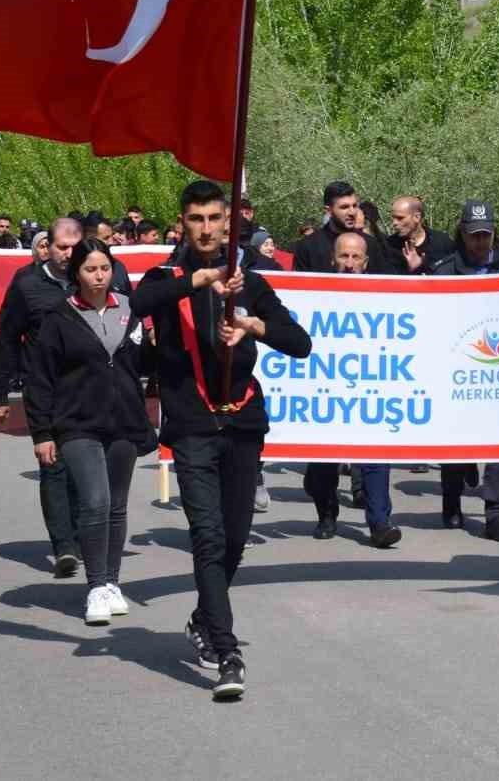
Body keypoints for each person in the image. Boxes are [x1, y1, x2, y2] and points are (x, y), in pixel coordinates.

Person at [133, 180, 312, 701]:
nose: (207, 228)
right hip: (190, 426)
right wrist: (200, 279)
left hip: (241, 423)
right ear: (182, 224)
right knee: (207, 537)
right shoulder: (169, 278)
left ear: (227, 223)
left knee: (234, 540)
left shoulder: (250, 284)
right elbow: (142, 298)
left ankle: (202, 617)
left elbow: (300, 344)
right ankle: (227, 651)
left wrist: (254, 326)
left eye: (216, 218)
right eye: (197, 219)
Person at [24, 238, 154, 625]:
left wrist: (152, 346)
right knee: (94, 501)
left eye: (104, 268)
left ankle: (112, 582)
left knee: (116, 505)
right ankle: (95, 585)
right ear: (75, 273)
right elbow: (39, 378)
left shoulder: (130, 310)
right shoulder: (57, 316)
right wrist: (41, 432)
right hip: (76, 423)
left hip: (125, 421)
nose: (98, 277)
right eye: (89, 270)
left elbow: (141, 365)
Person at [0, 218, 86, 578]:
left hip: (88, 390)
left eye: (75, 246)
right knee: (53, 464)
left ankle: (82, 534)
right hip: (44, 389)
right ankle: (65, 546)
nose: (68, 253)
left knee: (86, 466)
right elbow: (7, 336)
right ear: (47, 245)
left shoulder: (92, 279)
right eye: (61, 246)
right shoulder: (27, 284)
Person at [302, 232, 403, 549]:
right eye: (343, 257)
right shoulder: (314, 296)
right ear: (333, 260)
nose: (349, 264)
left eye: (355, 257)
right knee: (322, 459)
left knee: (375, 455)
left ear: (366, 262)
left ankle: (379, 523)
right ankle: (327, 515)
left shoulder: (384, 296)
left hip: (370, 387)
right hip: (327, 387)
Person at [431, 200, 499, 541]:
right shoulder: (443, 271)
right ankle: (452, 498)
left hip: (498, 370)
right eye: (473, 235)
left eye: (485, 235)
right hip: (456, 369)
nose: (479, 242)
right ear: (462, 232)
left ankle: (497, 514)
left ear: (494, 233)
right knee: (457, 440)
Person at [292, 180, 392, 273]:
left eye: (354, 206)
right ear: (328, 211)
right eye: (344, 207)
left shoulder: (370, 244)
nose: (352, 212)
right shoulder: (307, 247)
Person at [386, 195, 456, 275]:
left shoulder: (442, 242)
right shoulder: (389, 246)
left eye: (400, 218)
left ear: (417, 217)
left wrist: (422, 266)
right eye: (393, 218)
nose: (394, 223)